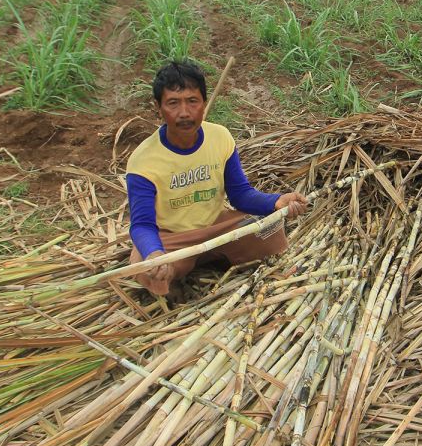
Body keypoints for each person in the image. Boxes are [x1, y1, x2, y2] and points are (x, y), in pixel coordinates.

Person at [125, 60, 308, 296]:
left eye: (192, 101)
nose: (184, 113)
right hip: (172, 237)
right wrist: (154, 253)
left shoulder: (220, 137)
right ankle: (193, 263)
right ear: (158, 107)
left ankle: (206, 257)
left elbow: (240, 195)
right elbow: (142, 224)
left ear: (204, 102)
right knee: (148, 265)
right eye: (173, 103)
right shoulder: (144, 160)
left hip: (215, 224)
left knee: (269, 228)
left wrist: (276, 202)